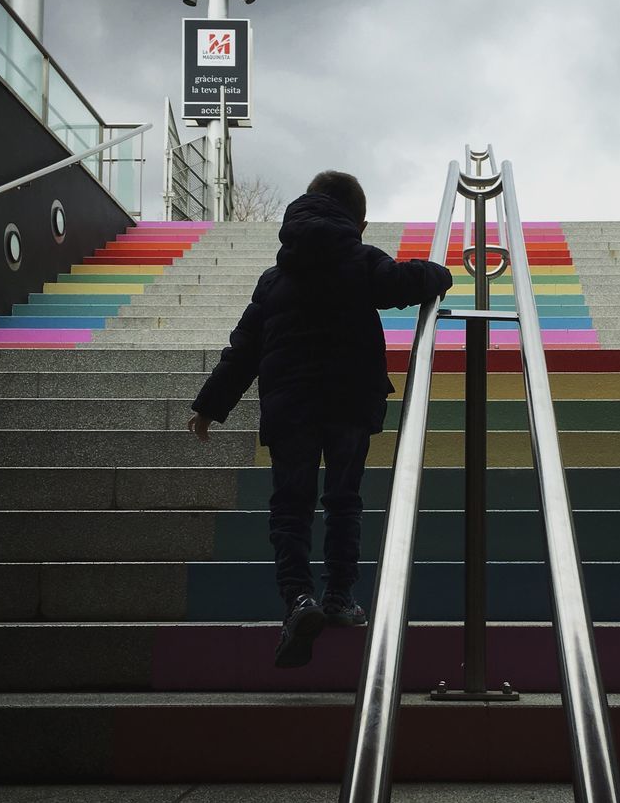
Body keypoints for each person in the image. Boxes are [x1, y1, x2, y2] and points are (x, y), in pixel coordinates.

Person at [187, 170, 452, 668]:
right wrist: (442, 273)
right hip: (350, 400)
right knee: (343, 500)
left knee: (290, 506)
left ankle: (298, 600)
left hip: (290, 406)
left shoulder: (275, 278)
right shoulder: (360, 259)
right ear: (360, 221)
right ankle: (339, 597)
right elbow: (405, 282)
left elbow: (243, 349)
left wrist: (210, 404)